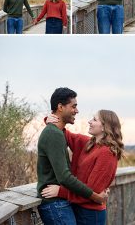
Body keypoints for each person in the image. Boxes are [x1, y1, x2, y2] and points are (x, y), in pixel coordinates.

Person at [37, 88, 108, 225]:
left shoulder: (57, 133)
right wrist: (96, 197)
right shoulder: (54, 134)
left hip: (61, 202)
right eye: (73, 106)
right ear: (60, 107)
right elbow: (64, 177)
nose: (77, 110)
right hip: (55, 204)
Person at [41, 109, 124, 225]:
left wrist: (61, 192)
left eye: (94, 119)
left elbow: (92, 192)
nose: (89, 122)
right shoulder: (88, 143)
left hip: (91, 214)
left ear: (105, 127)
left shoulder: (107, 154)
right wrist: (50, 121)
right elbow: (62, 133)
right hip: (77, 208)